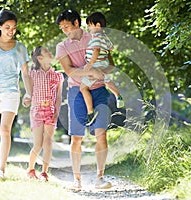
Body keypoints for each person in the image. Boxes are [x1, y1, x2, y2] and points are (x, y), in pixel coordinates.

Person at [55, 9, 113, 189]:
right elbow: (69, 71)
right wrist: (90, 71)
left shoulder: (95, 36)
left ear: (76, 23)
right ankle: (76, 180)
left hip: (99, 90)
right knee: (77, 138)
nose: (64, 30)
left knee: (101, 135)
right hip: (76, 92)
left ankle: (100, 178)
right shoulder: (62, 47)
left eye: (66, 26)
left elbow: (111, 64)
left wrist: (101, 73)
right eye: (62, 28)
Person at [0, 10, 32, 181]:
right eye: (7, 27)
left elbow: (25, 73)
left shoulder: (20, 47)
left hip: (11, 92)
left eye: (14, 28)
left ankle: (2, 168)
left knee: (5, 129)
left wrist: (28, 93)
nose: (11, 31)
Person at [25, 46, 64, 181]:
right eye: (46, 51)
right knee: (38, 144)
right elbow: (28, 93)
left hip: (50, 111)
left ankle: (44, 172)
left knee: (48, 142)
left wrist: (56, 112)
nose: (50, 52)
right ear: (40, 58)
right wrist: (26, 100)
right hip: (36, 110)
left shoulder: (58, 76)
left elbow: (59, 97)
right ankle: (30, 169)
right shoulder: (32, 74)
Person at [80, 12, 124, 126]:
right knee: (106, 81)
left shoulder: (96, 37)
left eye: (90, 25)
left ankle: (90, 112)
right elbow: (111, 48)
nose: (88, 28)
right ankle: (118, 95)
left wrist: (90, 64)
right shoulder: (104, 37)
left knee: (83, 88)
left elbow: (96, 51)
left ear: (98, 25)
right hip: (103, 63)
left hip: (96, 65)